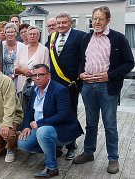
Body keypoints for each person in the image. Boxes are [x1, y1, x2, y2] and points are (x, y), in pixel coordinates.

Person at [72, 6, 135, 174]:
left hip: (108, 86)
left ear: (108, 20)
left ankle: (113, 158)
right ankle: (88, 152)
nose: (97, 22)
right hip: (88, 87)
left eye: (100, 18)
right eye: (94, 19)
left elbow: (129, 63)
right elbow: (80, 61)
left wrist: (110, 75)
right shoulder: (86, 38)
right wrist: (80, 73)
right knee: (91, 123)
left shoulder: (118, 38)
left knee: (110, 125)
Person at [18, 64, 83, 178]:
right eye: (34, 75)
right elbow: (29, 110)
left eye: (41, 75)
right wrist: (26, 126)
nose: (37, 78)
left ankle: (52, 168)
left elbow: (63, 115)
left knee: (43, 132)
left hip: (61, 129)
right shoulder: (34, 89)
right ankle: (52, 151)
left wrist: (39, 123)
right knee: (23, 143)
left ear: (49, 76)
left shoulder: (60, 90)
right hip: (40, 128)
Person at [45, 12, 86, 160]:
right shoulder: (51, 38)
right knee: (54, 113)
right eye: (59, 23)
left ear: (71, 23)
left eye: (64, 22)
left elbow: (83, 59)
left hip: (71, 84)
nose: (61, 25)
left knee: (70, 114)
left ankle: (71, 145)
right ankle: (57, 143)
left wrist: (79, 77)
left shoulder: (80, 36)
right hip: (55, 84)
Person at [14, 26, 50, 94]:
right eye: (30, 34)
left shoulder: (44, 50)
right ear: (27, 36)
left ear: (38, 36)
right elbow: (15, 67)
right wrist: (22, 70)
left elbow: (47, 68)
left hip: (38, 85)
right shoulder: (22, 49)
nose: (32, 36)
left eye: (34, 34)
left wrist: (33, 73)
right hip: (22, 85)